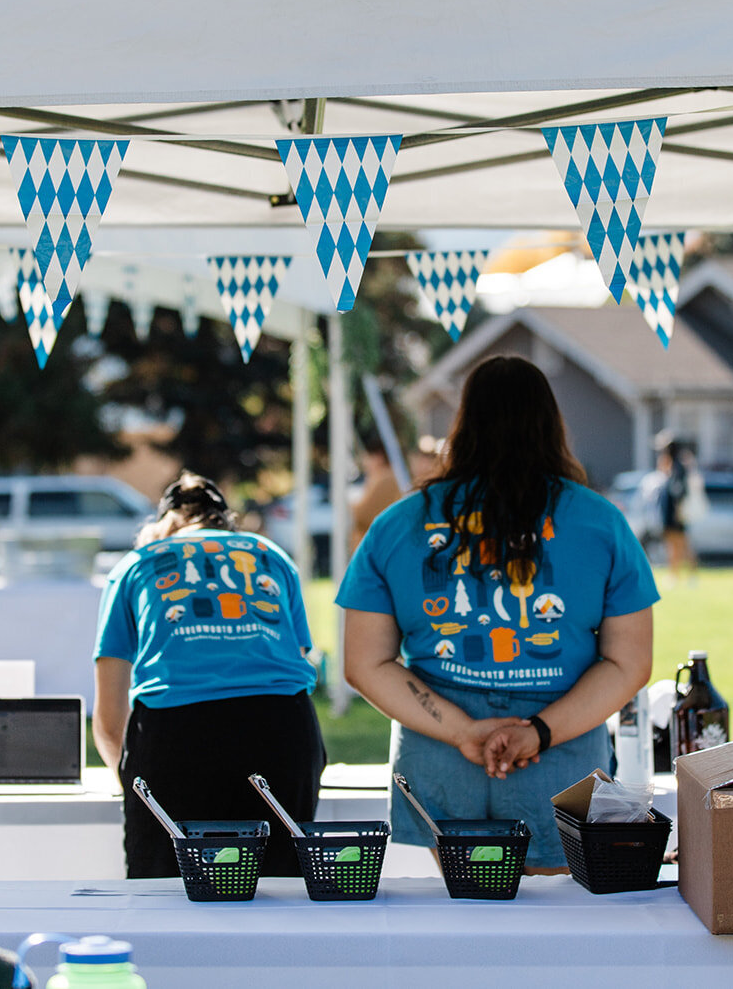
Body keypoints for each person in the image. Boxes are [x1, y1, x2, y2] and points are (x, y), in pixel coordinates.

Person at [338, 355, 658, 871]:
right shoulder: (601, 522)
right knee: (551, 938)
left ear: (463, 423)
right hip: (560, 757)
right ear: (552, 425)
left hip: (441, 754)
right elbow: (629, 664)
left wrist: (464, 731)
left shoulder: (397, 524)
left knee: (464, 932)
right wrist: (539, 732)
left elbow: (363, 664)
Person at [92, 471, 326, 878]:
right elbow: (299, 657)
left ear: (165, 524)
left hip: (175, 735)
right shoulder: (269, 555)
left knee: (164, 895)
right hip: (281, 730)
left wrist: (134, 787)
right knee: (280, 895)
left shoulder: (138, 564)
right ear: (226, 523)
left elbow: (109, 719)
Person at [658, 439, 701, 580]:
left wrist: (678, 511)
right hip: (670, 511)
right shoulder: (671, 468)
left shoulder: (678, 467)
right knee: (673, 544)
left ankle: (691, 574)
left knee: (681, 544)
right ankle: (674, 573)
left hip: (675, 512)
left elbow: (679, 492)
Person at [351, 435, 402, 540]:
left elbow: (362, 514)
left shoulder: (385, 479)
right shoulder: (382, 476)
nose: (365, 462)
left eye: (368, 457)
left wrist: (349, 505)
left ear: (379, 457)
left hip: (374, 542)